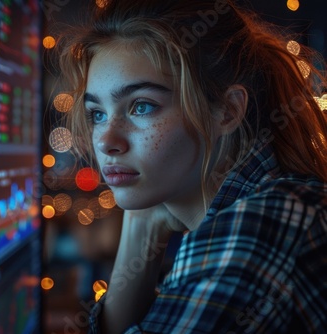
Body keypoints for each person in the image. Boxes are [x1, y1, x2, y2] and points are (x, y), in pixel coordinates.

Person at [53, 0, 327, 332]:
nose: (106, 141)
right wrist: (143, 225)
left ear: (226, 111)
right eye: (97, 113)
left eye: (141, 106)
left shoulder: (259, 225)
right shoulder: (272, 198)